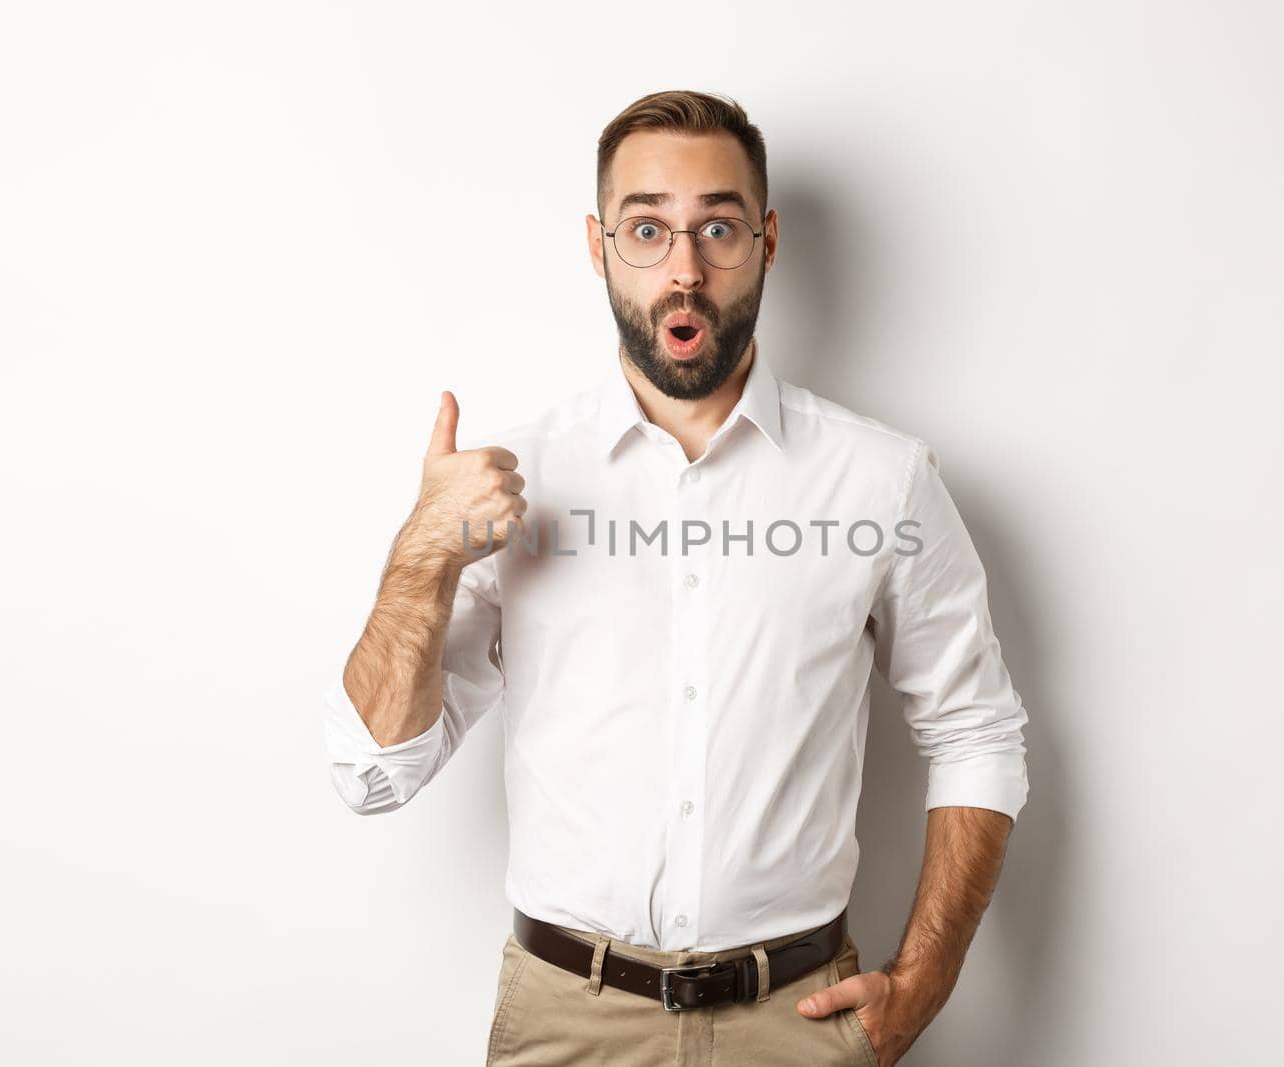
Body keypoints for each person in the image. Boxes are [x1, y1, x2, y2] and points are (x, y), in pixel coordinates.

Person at [323, 89, 1029, 1067]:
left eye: (719, 228)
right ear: (598, 243)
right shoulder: (509, 479)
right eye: (647, 229)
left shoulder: (881, 478)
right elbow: (371, 774)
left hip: (801, 1020)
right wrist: (420, 561)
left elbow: (976, 729)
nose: (684, 269)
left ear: (767, 239)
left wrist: (919, 985)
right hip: (565, 1019)